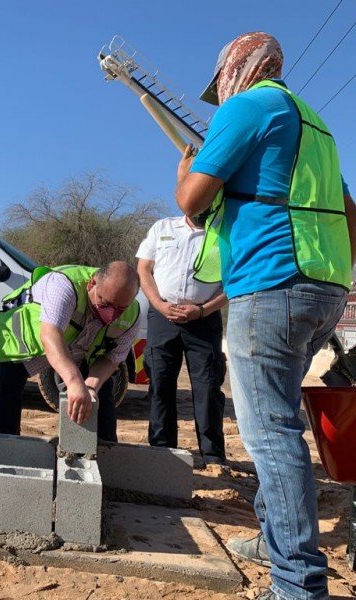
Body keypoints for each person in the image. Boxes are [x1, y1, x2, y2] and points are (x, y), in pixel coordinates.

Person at [176, 32, 356, 600]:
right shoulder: (315, 124)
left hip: (270, 282)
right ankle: (274, 539)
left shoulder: (248, 106)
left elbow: (192, 201)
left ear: (239, 68)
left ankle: (297, 584)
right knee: (277, 425)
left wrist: (185, 168)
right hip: (322, 285)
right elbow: (349, 209)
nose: (219, 93)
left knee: (270, 434)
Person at [0, 262, 141, 441]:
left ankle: (104, 452)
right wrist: (73, 381)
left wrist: (91, 386)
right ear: (92, 284)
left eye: (120, 309)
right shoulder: (63, 285)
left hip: (79, 345)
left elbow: (113, 358)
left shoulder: (133, 314)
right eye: (105, 303)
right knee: (11, 386)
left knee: (100, 394)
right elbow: (50, 336)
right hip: (28, 337)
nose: (111, 314)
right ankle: (4, 445)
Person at [136, 214, 228, 467]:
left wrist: (204, 310)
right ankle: (162, 451)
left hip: (204, 318)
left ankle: (212, 456)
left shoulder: (226, 230)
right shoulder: (162, 227)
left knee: (208, 388)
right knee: (160, 385)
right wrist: (158, 304)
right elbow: (144, 269)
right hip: (162, 316)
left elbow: (235, 280)